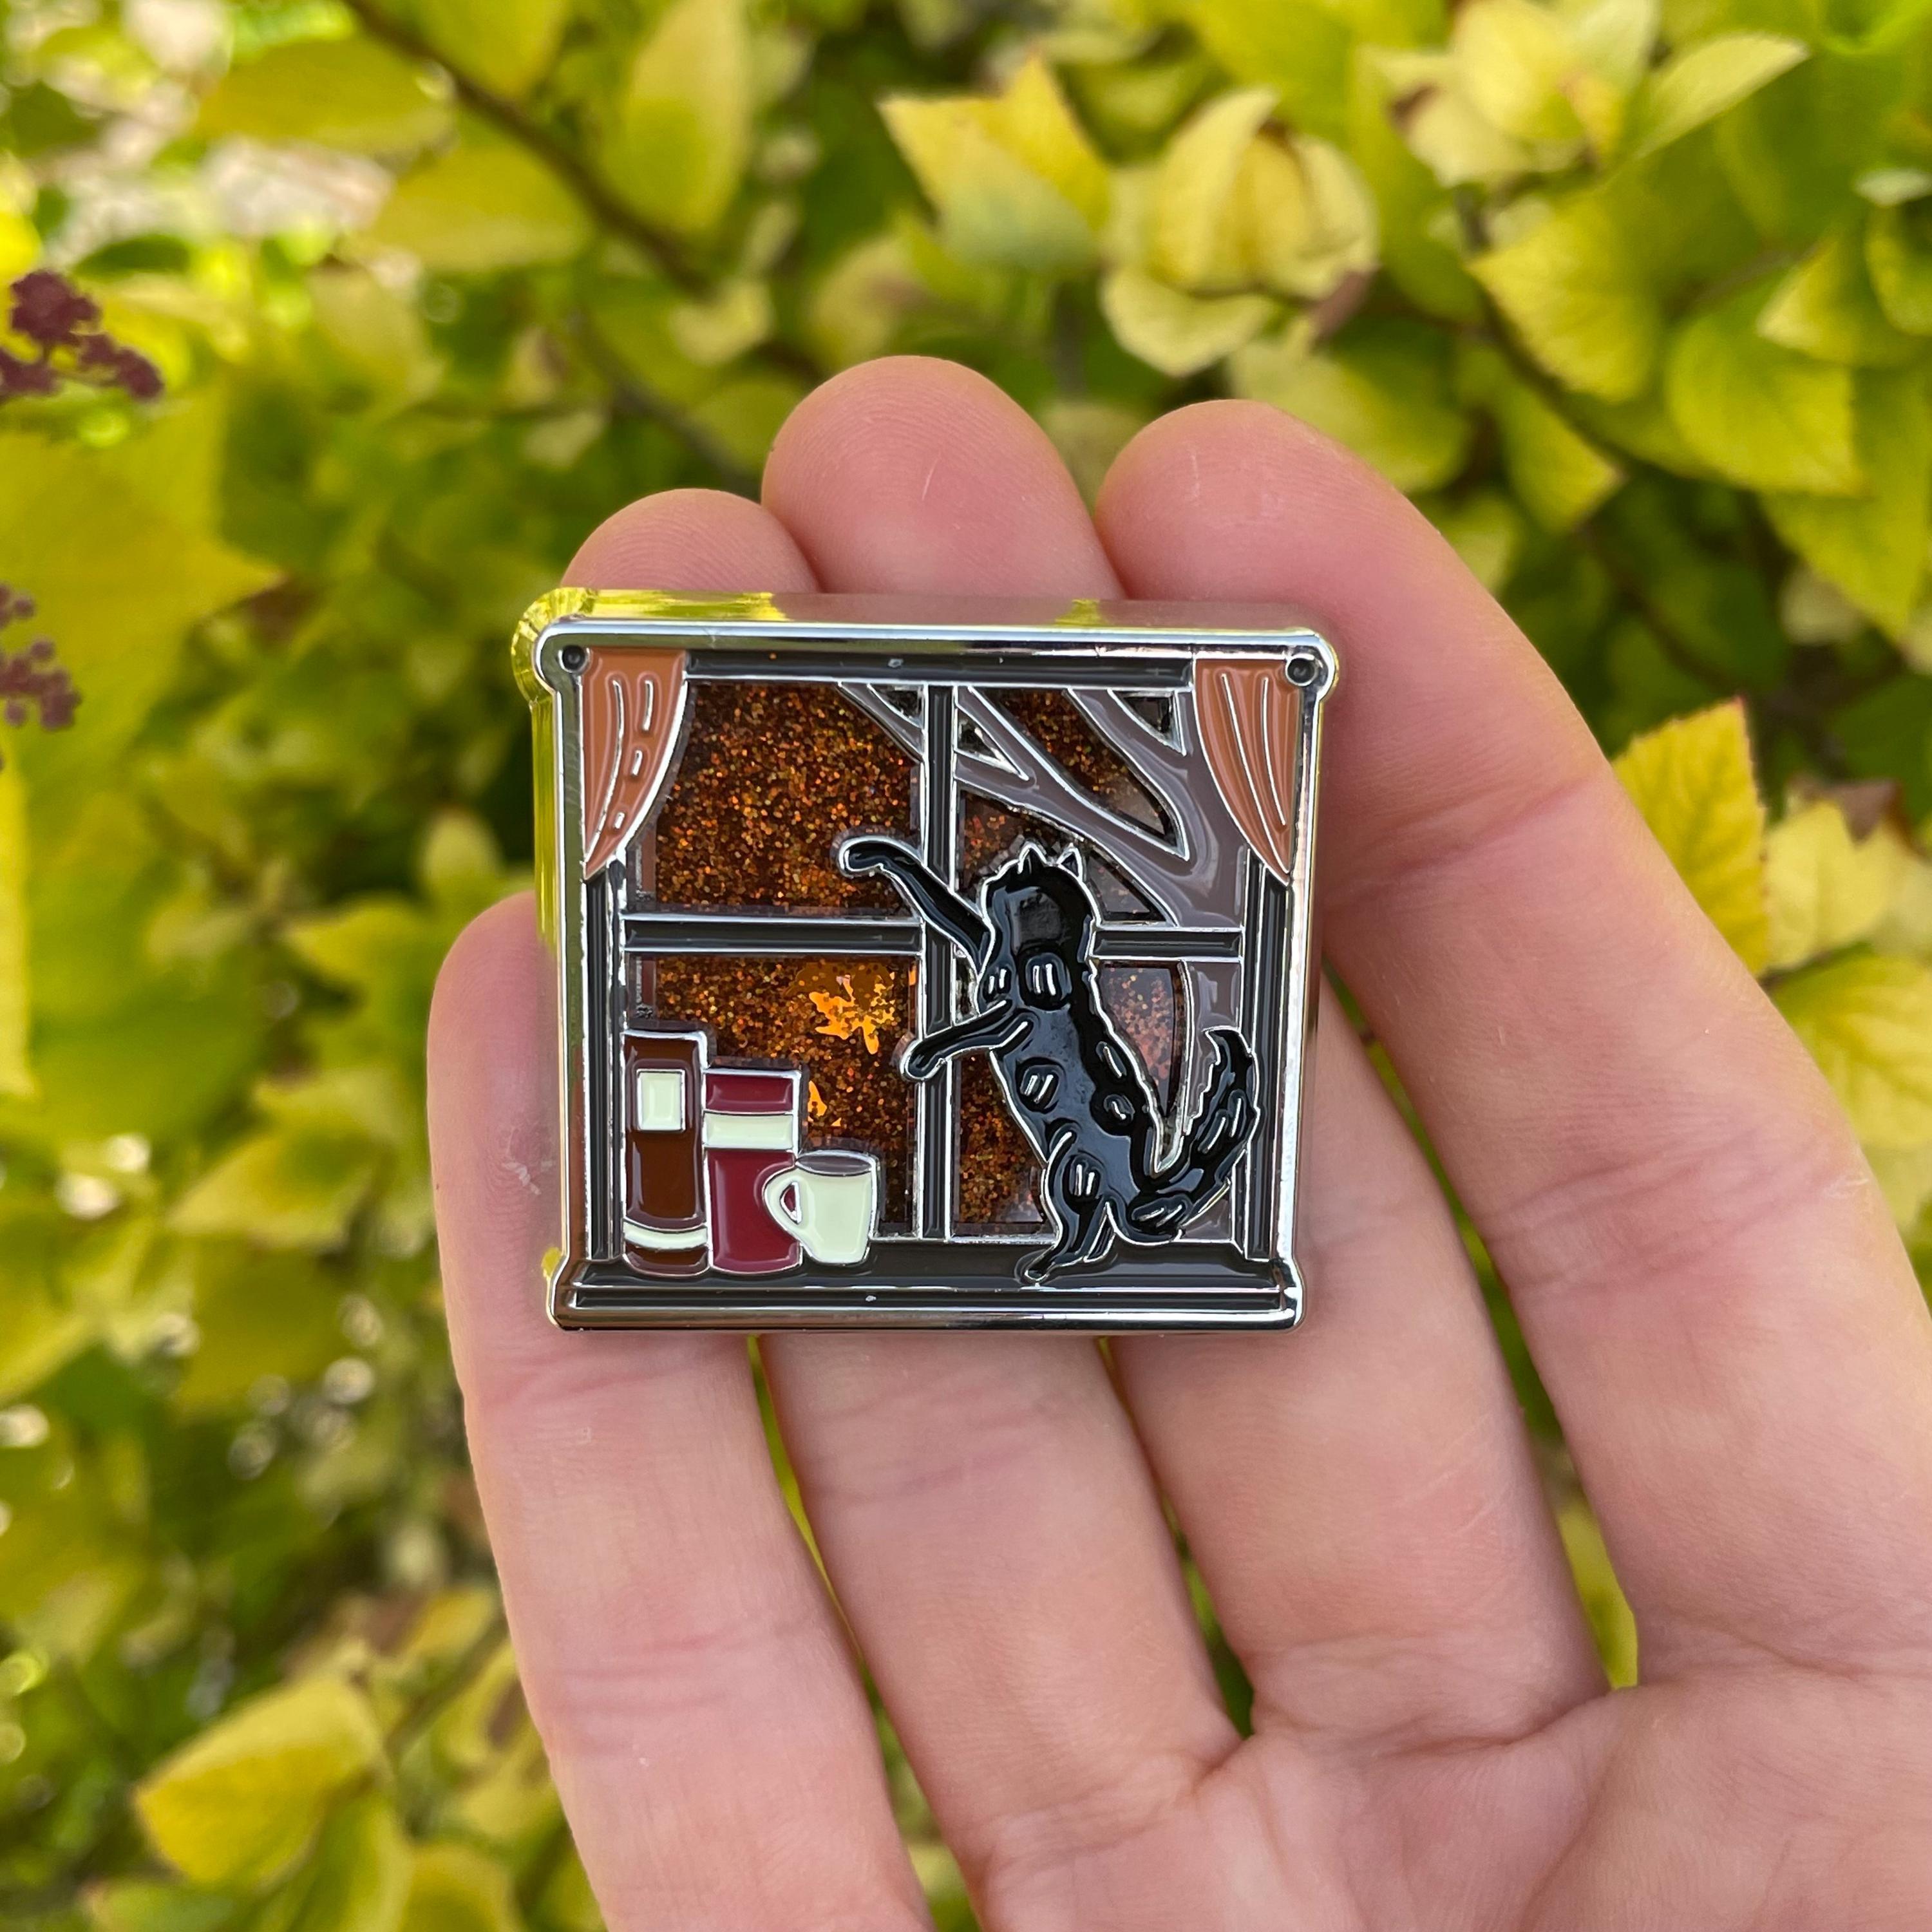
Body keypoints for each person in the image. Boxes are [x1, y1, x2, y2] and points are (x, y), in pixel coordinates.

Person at [426, 358, 1932, 1928]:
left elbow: (991, 1025)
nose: (1007, 909)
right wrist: (886, 862)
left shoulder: (1051, 985)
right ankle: (1144, 1186)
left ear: (1051, 925)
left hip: (1096, 1147)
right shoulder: (1025, 957)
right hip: (1085, 1131)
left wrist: (960, 1043)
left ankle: (1129, 1205)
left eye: (1021, 903)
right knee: (1103, 1163)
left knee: (1106, 1179)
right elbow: (959, 945)